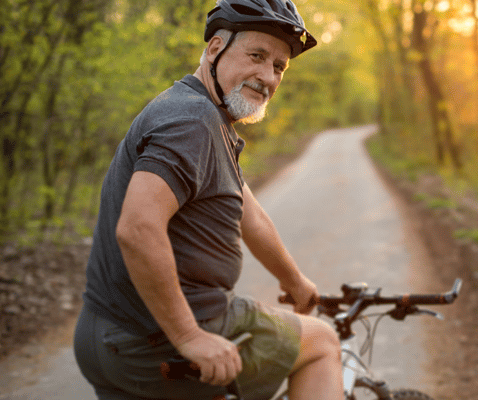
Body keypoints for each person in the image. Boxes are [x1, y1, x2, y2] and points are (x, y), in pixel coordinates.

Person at [73, 1, 344, 399]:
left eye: (279, 67)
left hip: (108, 336)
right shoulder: (193, 123)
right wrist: (189, 336)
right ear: (215, 49)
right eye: (257, 55)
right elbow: (137, 228)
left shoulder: (201, 116)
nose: (267, 75)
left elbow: (248, 215)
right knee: (321, 343)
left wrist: (296, 282)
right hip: (155, 340)